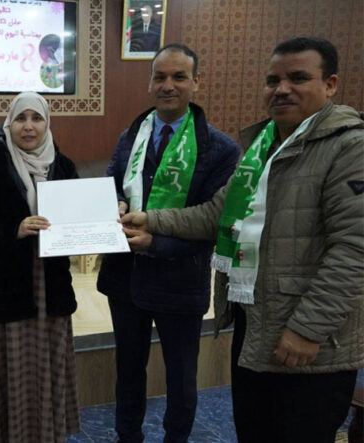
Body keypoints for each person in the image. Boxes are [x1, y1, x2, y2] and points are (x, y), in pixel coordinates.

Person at [121, 37, 364, 443]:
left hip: (311, 342)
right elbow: (213, 215)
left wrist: (308, 329)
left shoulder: (350, 147)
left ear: (331, 84)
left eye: (298, 78)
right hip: (256, 326)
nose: (281, 89)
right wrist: (148, 217)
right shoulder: (264, 147)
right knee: (253, 431)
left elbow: (354, 250)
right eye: (273, 80)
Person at [96, 43, 240, 443]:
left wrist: (155, 244)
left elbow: (211, 224)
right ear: (150, 83)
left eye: (179, 77)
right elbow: (111, 182)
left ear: (197, 82)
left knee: (181, 376)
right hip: (125, 277)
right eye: (160, 77)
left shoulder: (220, 148)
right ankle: (128, 436)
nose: (168, 85)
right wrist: (115, 201)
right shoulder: (132, 135)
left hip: (180, 281)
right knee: (128, 370)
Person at [0, 91, 81, 442]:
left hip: (51, 285)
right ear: (9, 123)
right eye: (21, 118)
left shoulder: (63, 166)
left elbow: (79, 221)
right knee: (12, 365)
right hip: (9, 286)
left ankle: (47, 433)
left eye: (36, 118)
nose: (29, 126)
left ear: (47, 123)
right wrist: (13, 230)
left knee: (48, 361)